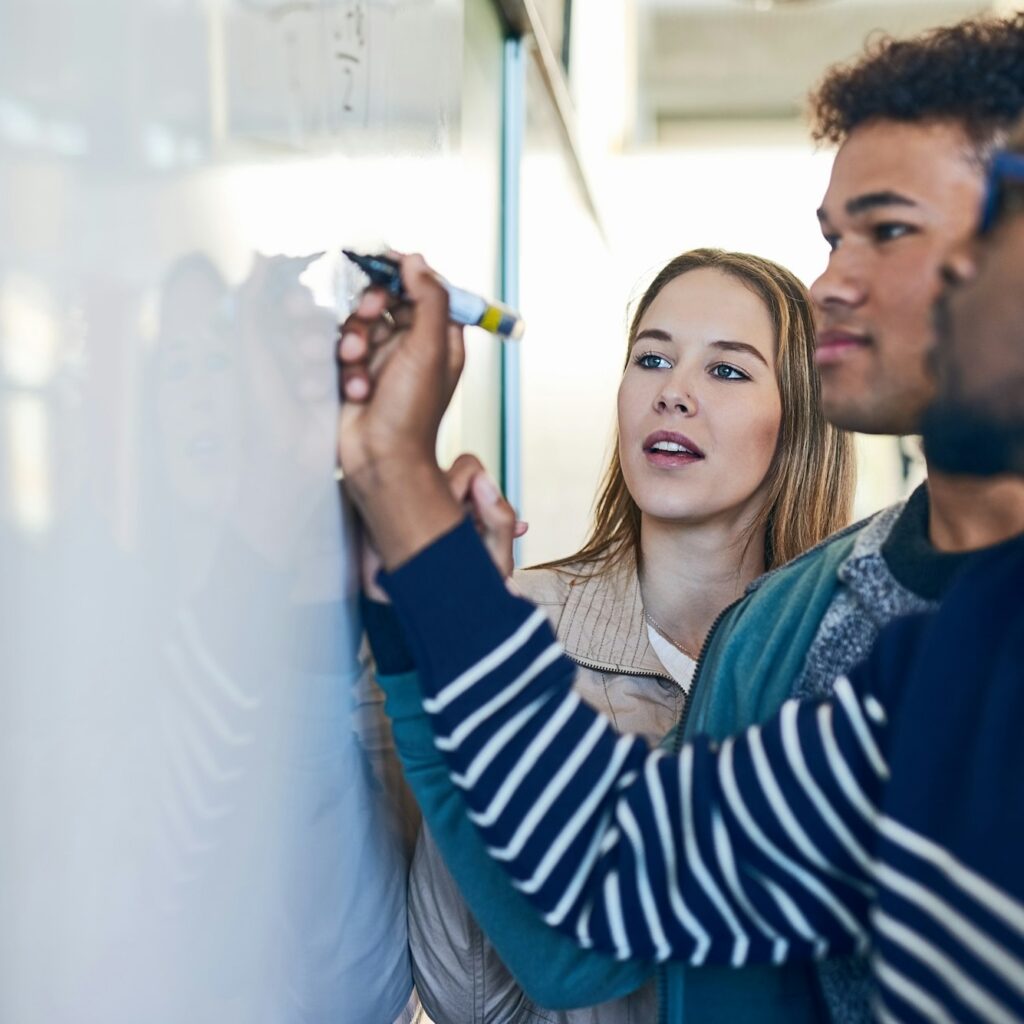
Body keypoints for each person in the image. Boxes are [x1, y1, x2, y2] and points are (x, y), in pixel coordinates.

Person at [340, 14, 1024, 1022]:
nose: (830, 283)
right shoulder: (926, 665)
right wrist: (406, 539)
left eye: (887, 231)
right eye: (832, 238)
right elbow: (606, 877)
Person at [386, 249, 854, 1023]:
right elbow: (459, 992)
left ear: (801, 419)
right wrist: (472, 658)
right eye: (652, 358)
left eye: (727, 372)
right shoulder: (520, 622)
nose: (673, 392)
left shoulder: (840, 658)